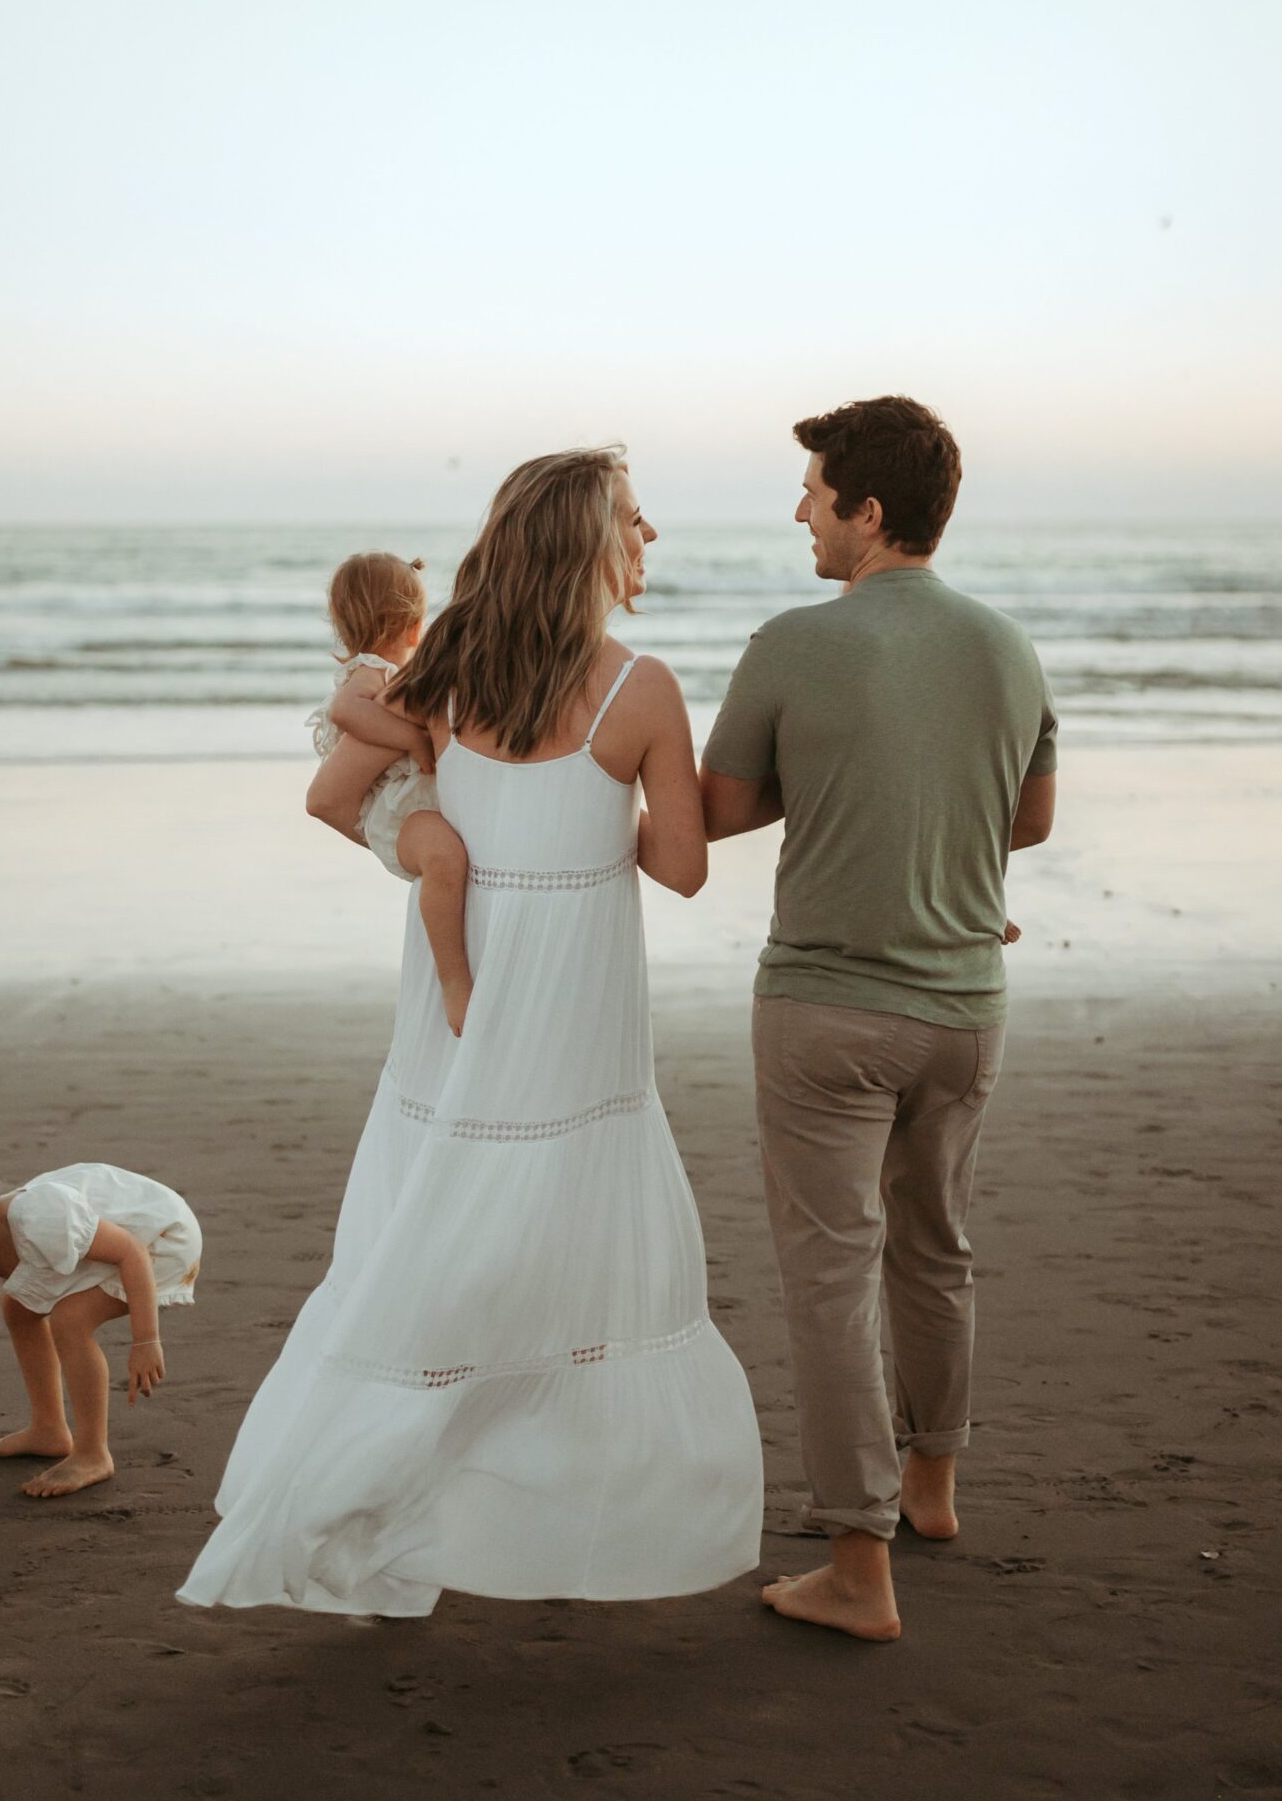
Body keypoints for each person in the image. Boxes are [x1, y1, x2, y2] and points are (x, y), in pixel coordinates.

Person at [179, 448, 763, 1617]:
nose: (651, 543)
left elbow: (334, 799)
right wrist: (600, 836)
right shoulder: (639, 687)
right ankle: (509, 1494)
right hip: (570, 998)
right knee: (545, 1234)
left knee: (442, 1219)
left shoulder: (441, 662)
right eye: (637, 524)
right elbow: (687, 870)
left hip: (458, 989)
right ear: (591, 543)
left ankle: (367, 1479)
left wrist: (435, 842)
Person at [701, 395, 1057, 1642]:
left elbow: (722, 807)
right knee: (936, 1247)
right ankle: (931, 1487)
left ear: (867, 510)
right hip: (967, 1009)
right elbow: (1030, 820)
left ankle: (859, 1564)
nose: (799, 509)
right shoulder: (1010, 646)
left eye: (814, 491)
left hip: (828, 1011)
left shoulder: (795, 641)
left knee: (829, 1274)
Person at [0, 1160, 203, 1501]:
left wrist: (145, 1340)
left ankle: (92, 1453)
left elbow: (131, 1252)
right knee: (18, 1307)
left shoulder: (41, 1219)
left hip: (162, 1239)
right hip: (112, 1245)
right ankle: (49, 1429)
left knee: (70, 1320)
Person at [305, 551, 473, 1035]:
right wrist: (413, 738)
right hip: (396, 808)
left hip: (405, 803)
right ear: (411, 624)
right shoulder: (372, 671)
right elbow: (346, 712)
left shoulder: (390, 672)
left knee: (449, 858)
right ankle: (454, 981)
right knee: (444, 858)